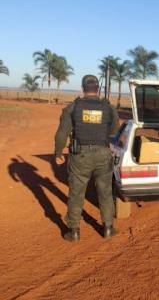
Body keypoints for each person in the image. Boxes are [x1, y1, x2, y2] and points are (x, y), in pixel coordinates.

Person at [54, 75, 119, 242]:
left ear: (82, 89)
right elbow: (113, 130)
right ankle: (108, 227)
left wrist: (58, 153)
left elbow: (61, 134)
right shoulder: (108, 107)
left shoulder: (74, 107)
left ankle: (74, 231)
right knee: (105, 191)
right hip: (103, 154)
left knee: (76, 192)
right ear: (98, 89)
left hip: (80, 155)